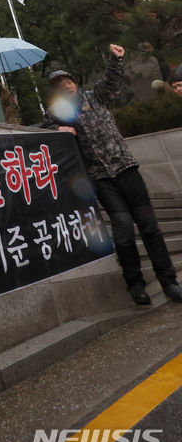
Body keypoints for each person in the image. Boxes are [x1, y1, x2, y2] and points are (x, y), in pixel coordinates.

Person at [43, 44, 182, 306]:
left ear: (74, 82)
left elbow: (110, 80)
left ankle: (169, 282)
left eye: (67, 80)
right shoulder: (57, 113)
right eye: (59, 84)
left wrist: (116, 59)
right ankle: (135, 284)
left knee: (149, 227)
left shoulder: (97, 96)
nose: (65, 86)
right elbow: (47, 129)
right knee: (123, 232)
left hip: (126, 170)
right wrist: (60, 128)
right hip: (101, 180)